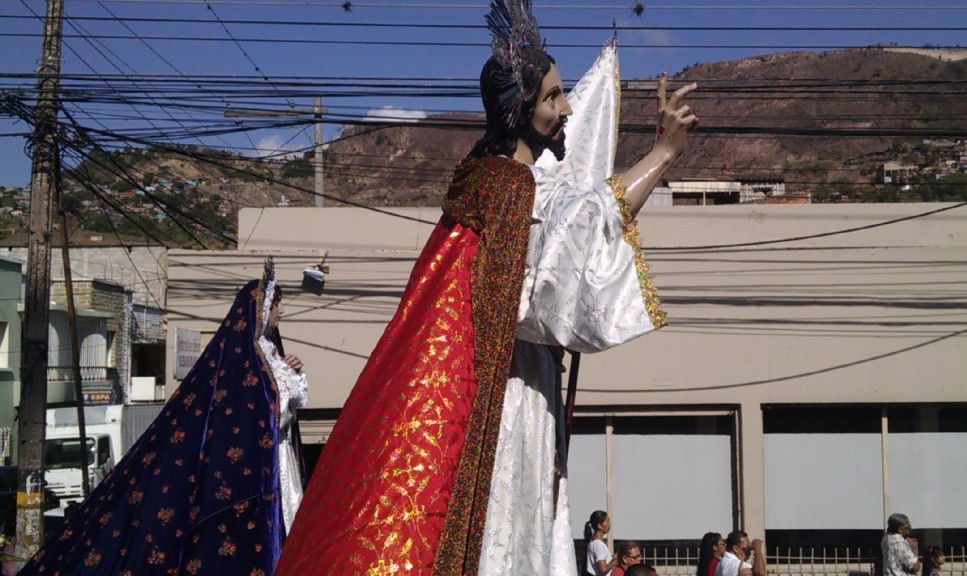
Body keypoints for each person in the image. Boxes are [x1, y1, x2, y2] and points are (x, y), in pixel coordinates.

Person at [274, 0, 699, 572]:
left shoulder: (488, 183)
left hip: (512, 377)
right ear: (519, 109)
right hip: (510, 393)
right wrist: (664, 153)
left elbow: (577, 221)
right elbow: (590, 221)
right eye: (552, 97)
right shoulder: (511, 190)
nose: (567, 108)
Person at [17, 263, 308, 575]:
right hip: (254, 467)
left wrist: (292, 372)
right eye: (276, 305)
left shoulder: (269, 353)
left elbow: (282, 411)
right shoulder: (244, 359)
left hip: (277, 461)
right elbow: (257, 416)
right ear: (261, 309)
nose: (280, 312)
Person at [586, 510, 614, 576]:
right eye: (607, 521)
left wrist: (612, 558)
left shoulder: (593, 542)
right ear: (600, 525)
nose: (610, 524)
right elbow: (603, 568)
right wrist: (615, 562)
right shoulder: (598, 544)